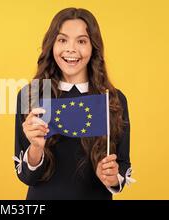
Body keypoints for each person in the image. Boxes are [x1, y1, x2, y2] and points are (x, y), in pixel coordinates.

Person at [13, 7, 135, 200]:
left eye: (81, 41)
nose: (71, 48)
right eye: (62, 40)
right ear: (52, 45)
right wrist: (36, 147)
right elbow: (26, 176)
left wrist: (112, 176)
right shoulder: (32, 95)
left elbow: (123, 165)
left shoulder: (112, 99)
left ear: (93, 47)